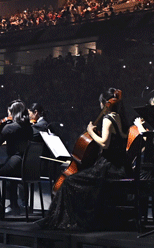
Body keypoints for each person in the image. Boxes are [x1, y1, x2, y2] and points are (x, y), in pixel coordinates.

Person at [37, 88, 131, 231]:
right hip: (119, 166)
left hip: (107, 167)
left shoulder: (107, 119)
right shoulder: (119, 117)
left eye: (100, 102)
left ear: (105, 103)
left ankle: (64, 220)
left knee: (69, 181)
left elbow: (104, 143)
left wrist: (91, 131)